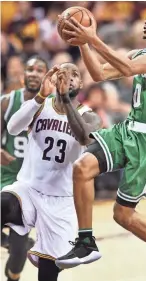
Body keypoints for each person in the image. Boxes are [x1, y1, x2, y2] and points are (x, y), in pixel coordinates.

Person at [56, 4, 146, 281]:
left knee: (123, 215)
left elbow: (127, 69)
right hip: (127, 131)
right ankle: (86, 242)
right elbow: (98, 75)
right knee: (82, 168)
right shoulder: (138, 52)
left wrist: (92, 37)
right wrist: (83, 45)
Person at [1, 63, 101, 281]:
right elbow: (13, 128)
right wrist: (39, 96)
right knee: (3, 203)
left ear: (81, 83)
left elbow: (85, 137)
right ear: (55, 81)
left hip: (62, 201)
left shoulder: (90, 116)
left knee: (47, 274)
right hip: (28, 189)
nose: (69, 78)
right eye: (63, 74)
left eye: (74, 75)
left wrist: (65, 100)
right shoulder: (39, 105)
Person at [1, 55, 48, 281]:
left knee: (18, 259)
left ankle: (12, 270)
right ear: (23, 76)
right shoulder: (8, 102)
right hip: (5, 177)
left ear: (47, 77)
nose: (34, 73)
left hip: (29, 185)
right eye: (30, 69)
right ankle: (6, 240)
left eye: (40, 70)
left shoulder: (53, 106)